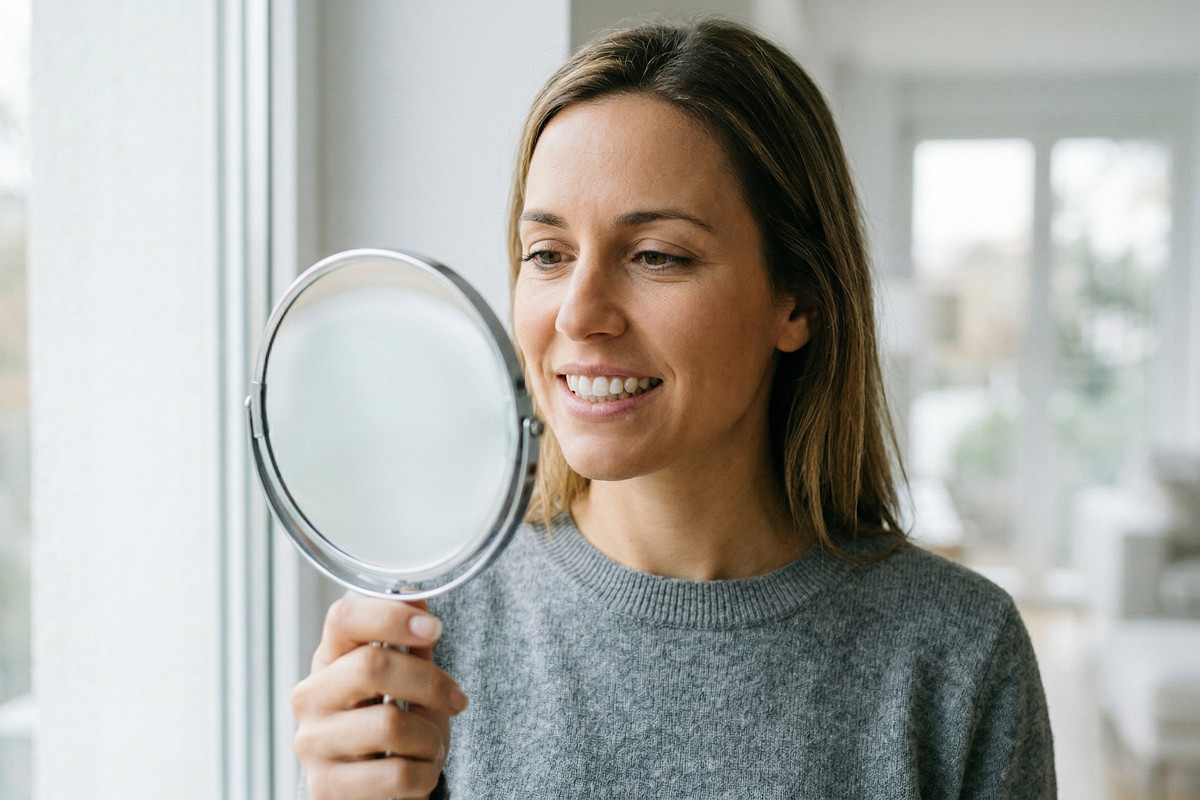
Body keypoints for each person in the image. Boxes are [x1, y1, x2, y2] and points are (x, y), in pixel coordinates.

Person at [290, 19, 1056, 800]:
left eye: (657, 255)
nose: (578, 313)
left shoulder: (958, 653)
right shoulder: (429, 641)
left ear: (798, 301)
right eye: (548, 255)